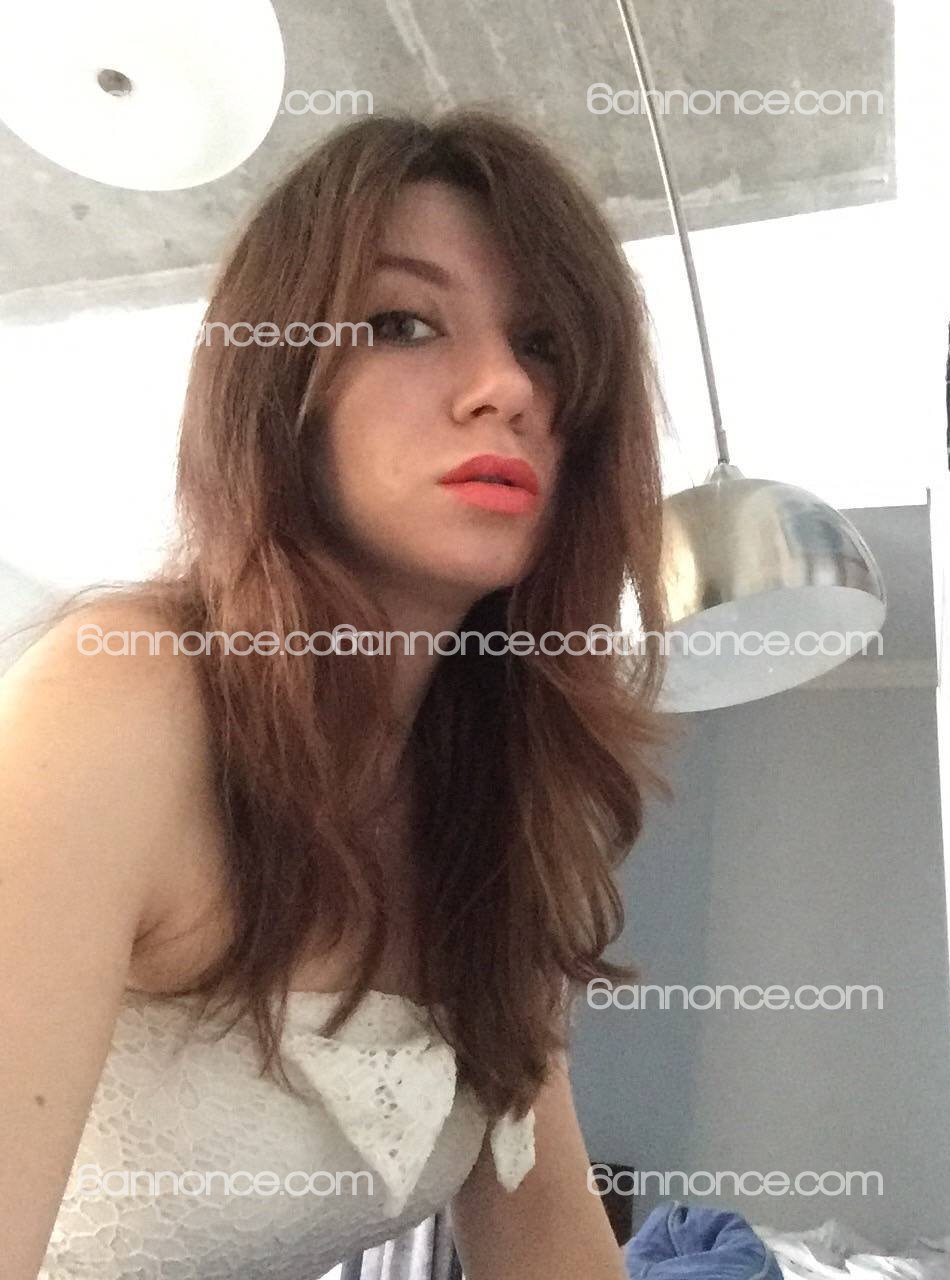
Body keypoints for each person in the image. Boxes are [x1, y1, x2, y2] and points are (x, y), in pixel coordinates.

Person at [0, 107, 677, 1279]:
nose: (505, 387)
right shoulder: (120, 699)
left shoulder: (503, 813)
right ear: (278, 391)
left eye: (546, 344)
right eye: (402, 322)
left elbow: (549, 1241)